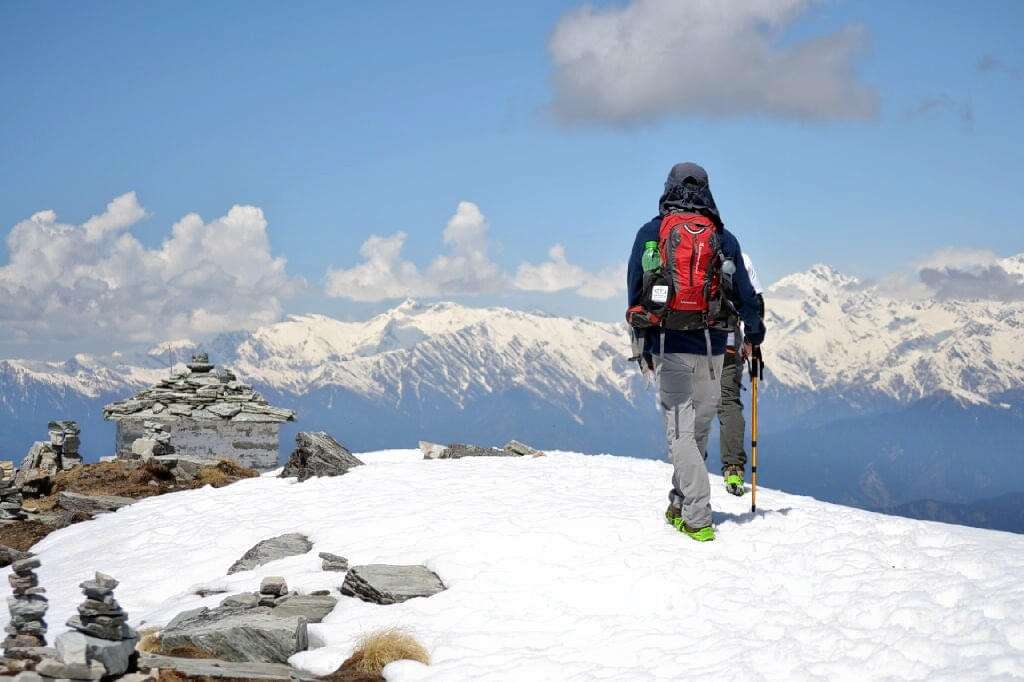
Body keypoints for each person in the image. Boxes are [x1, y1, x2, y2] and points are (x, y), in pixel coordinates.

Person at [626, 162, 764, 542]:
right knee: (697, 428)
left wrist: (643, 343)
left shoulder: (652, 233)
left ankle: (698, 516)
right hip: (715, 349)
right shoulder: (722, 237)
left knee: (680, 434)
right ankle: (679, 502)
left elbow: (635, 288)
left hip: (670, 345)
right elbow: (746, 298)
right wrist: (755, 334)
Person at [719, 253, 764, 496]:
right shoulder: (738, 255)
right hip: (726, 340)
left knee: (690, 405)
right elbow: (756, 301)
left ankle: (687, 468)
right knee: (728, 401)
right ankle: (733, 468)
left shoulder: (678, 245)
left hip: (687, 342)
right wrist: (751, 340)